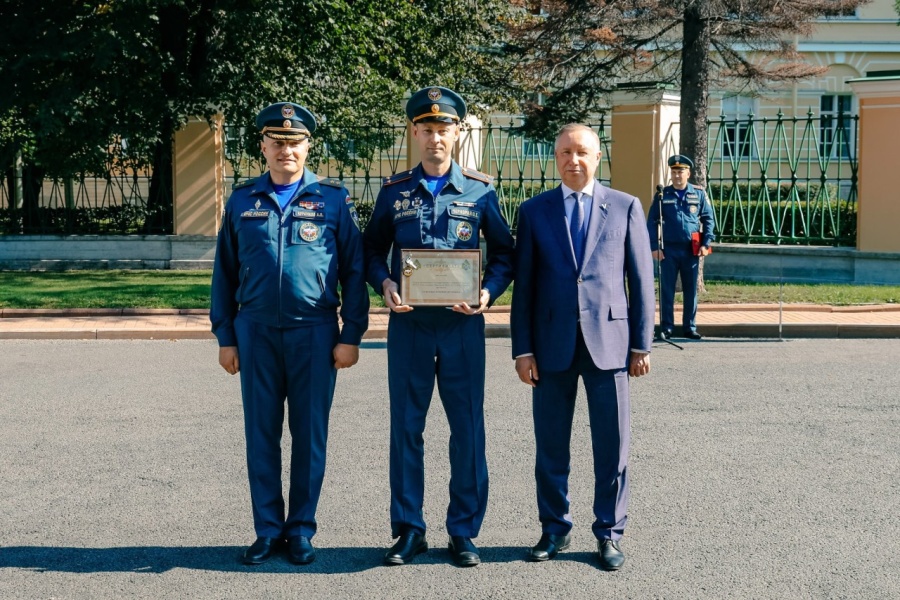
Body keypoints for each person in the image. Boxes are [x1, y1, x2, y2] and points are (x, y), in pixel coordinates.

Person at [210, 102, 369, 566]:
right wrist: (225, 337)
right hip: (255, 331)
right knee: (261, 436)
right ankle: (266, 529)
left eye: (294, 142)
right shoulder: (242, 201)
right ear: (262, 146)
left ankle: (300, 529)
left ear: (307, 146)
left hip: (315, 334)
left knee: (309, 436)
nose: (285, 150)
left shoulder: (333, 200)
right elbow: (224, 273)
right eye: (276, 142)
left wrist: (351, 334)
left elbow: (354, 272)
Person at [363, 86, 515, 568]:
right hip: (409, 326)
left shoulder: (480, 190)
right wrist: (384, 283)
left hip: (460, 326)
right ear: (414, 132)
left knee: (466, 429)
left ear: (457, 132)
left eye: (443, 129)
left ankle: (464, 531)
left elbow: (507, 253)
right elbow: (369, 251)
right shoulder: (394, 192)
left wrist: (489, 291)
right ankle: (409, 530)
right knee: (406, 429)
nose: (435, 138)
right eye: (426, 129)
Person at [510, 123, 655, 571]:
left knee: (612, 447)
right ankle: (554, 528)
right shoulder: (534, 211)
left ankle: (609, 533)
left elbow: (642, 280)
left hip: (610, 346)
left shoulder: (626, 206)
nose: (573, 161)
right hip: (550, 346)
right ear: (555, 158)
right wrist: (522, 349)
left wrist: (641, 345)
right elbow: (525, 288)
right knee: (550, 446)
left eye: (582, 153)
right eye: (565, 153)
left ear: (598, 157)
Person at [646, 154, 716, 340]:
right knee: (667, 290)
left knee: (690, 290)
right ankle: (667, 327)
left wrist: (706, 243)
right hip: (668, 250)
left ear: (688, 173)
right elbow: (652, 222)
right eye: (674, 172)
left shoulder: (698, 194)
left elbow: (709, 219)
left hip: (690, 249)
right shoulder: (662, 195)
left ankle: (689, 327)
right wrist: (654, 246)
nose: (677, 175)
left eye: (681, 172)